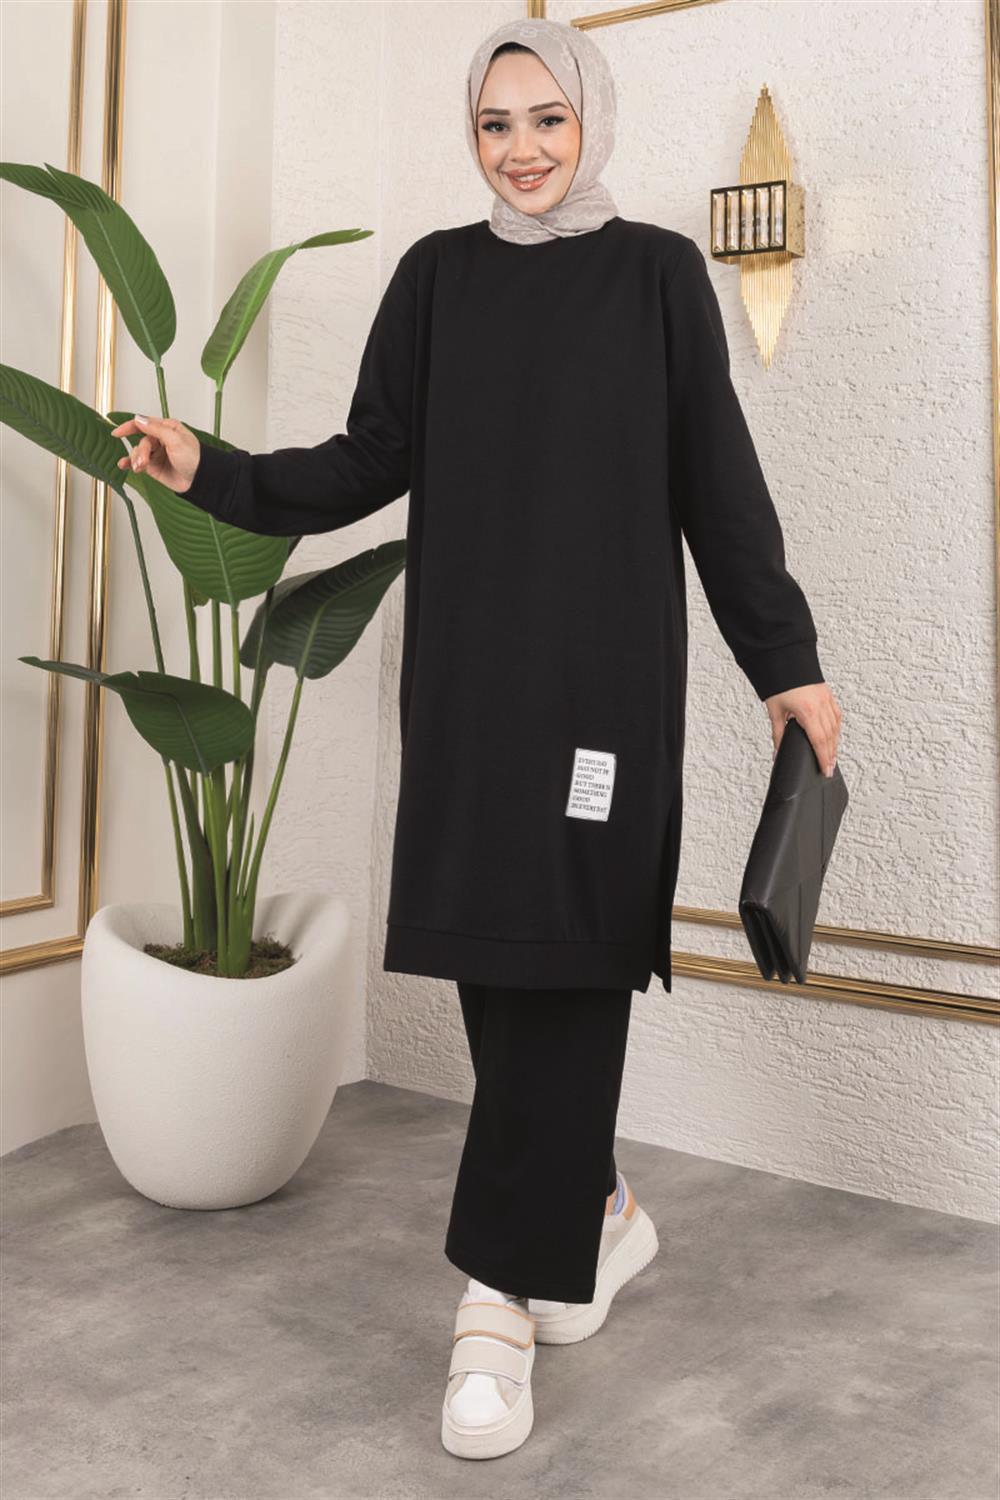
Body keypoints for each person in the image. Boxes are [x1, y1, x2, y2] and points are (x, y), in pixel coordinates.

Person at [110, 15, 843, 1463]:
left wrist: (787, 663)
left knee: (567, 954)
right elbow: (367, 460)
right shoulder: (436, 279)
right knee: (498, 957)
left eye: (546, 120)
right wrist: (218, 471)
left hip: (602, 697)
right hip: (465, 689)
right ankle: (597, 1207)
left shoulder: (657, 276)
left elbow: (720, 484)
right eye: (495, 124)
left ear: (591, 122)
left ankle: (496, 1303)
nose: (521, 150)